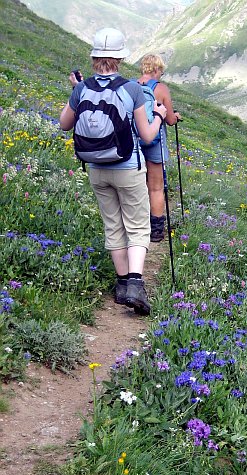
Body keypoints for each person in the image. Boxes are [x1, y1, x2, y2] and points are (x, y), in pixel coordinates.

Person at [59, 28, 167, 316]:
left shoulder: (82, 88)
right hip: (128, 167)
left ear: (94, 57)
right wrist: (159, 116)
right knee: (137, 226)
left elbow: (64, 124)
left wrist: (75, 90)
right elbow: (146, 136)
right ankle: (135, 284)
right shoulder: (131, 89)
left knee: (113, 225)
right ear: (119, 58)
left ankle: (121, 284)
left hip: (96, 168)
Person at [137, 54, 182, 242]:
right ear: (156, 69)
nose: (161, 75)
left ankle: (137, 225)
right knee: (156, 187)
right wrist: (176, 117)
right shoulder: (160, 88)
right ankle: (156, 230)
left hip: (134, 140)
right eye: (161, 71)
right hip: (155, 139)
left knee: (137, 185)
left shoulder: (132, 85)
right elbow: (170, 119)